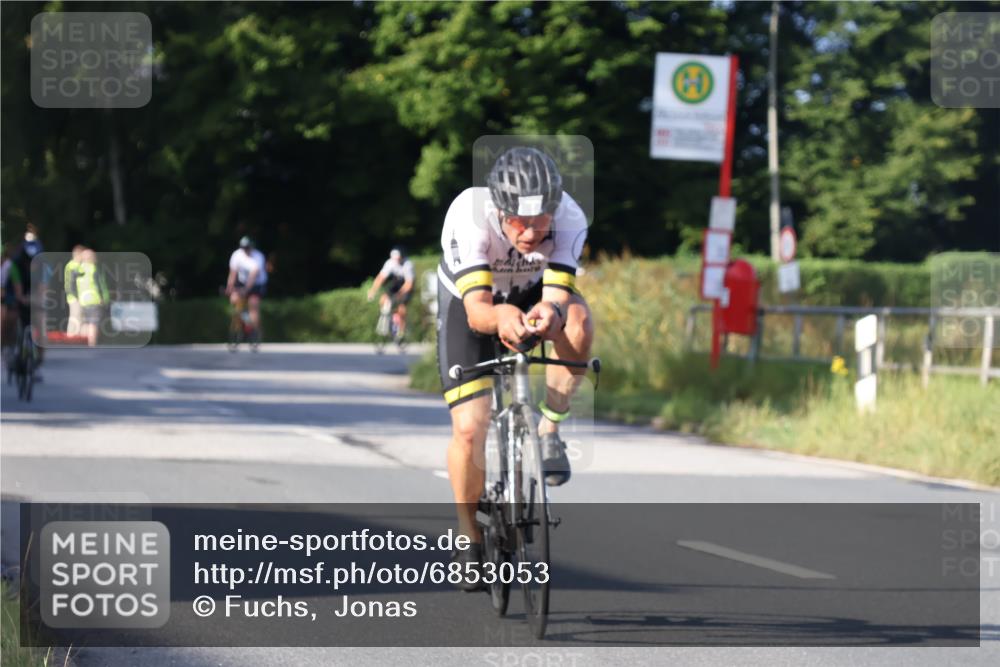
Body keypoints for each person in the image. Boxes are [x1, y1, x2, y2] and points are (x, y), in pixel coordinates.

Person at [436, 146, 594, 589]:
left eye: (540, 220)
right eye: (518, 221)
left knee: (578, 324)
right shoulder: (468, 215)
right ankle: (468, 537)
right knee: (471, 427)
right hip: (473, 301)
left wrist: (552, 315)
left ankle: (549, 428)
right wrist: (501, 320)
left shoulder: (570, 216)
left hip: (530, 292)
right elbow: (478, 312)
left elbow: (558, 295)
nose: (529, 232)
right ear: (498, 209)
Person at [366, 246, 415, 339]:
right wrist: (373, 290)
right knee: (384, 298)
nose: (396, 261)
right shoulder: (390, 263)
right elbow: (381, 278)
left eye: (398, 259)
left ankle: (401, 330)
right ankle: (386, 318)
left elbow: (409, 284)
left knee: (402, 306)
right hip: (396, 282)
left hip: (407, 284)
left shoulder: (408, 264)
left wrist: (399, 295)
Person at [225, 236, 267, 333]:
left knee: (253, 304)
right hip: (242, 281)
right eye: (243, 247)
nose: (245, 250)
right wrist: (229, 287)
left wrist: (246, 289)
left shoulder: (258, 257)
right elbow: (233, 273)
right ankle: (244, 318)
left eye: (248, 247)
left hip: (257, 283)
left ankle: (255, 330)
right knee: (234, 299)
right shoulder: (237, 255)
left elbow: (253, 276)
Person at [73, 249, 109, 347]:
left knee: (86, 322)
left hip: (83, 300)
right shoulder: (93, 268)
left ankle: (84, 343)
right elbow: (100, 284)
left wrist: (77, 297)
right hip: (95, 299)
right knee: (94, 323)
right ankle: (92, 344)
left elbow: (74, 285)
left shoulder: (79, 269)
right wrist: (103, 298)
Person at [64, 245, 85, 335]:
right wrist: (76, 296)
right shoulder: (74, 266)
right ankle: (72, 337)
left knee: (78, 317)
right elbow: (71, 283)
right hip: (75, 296)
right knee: (75, 317)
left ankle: (76, 337)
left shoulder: (72, 264)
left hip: (75, 296)